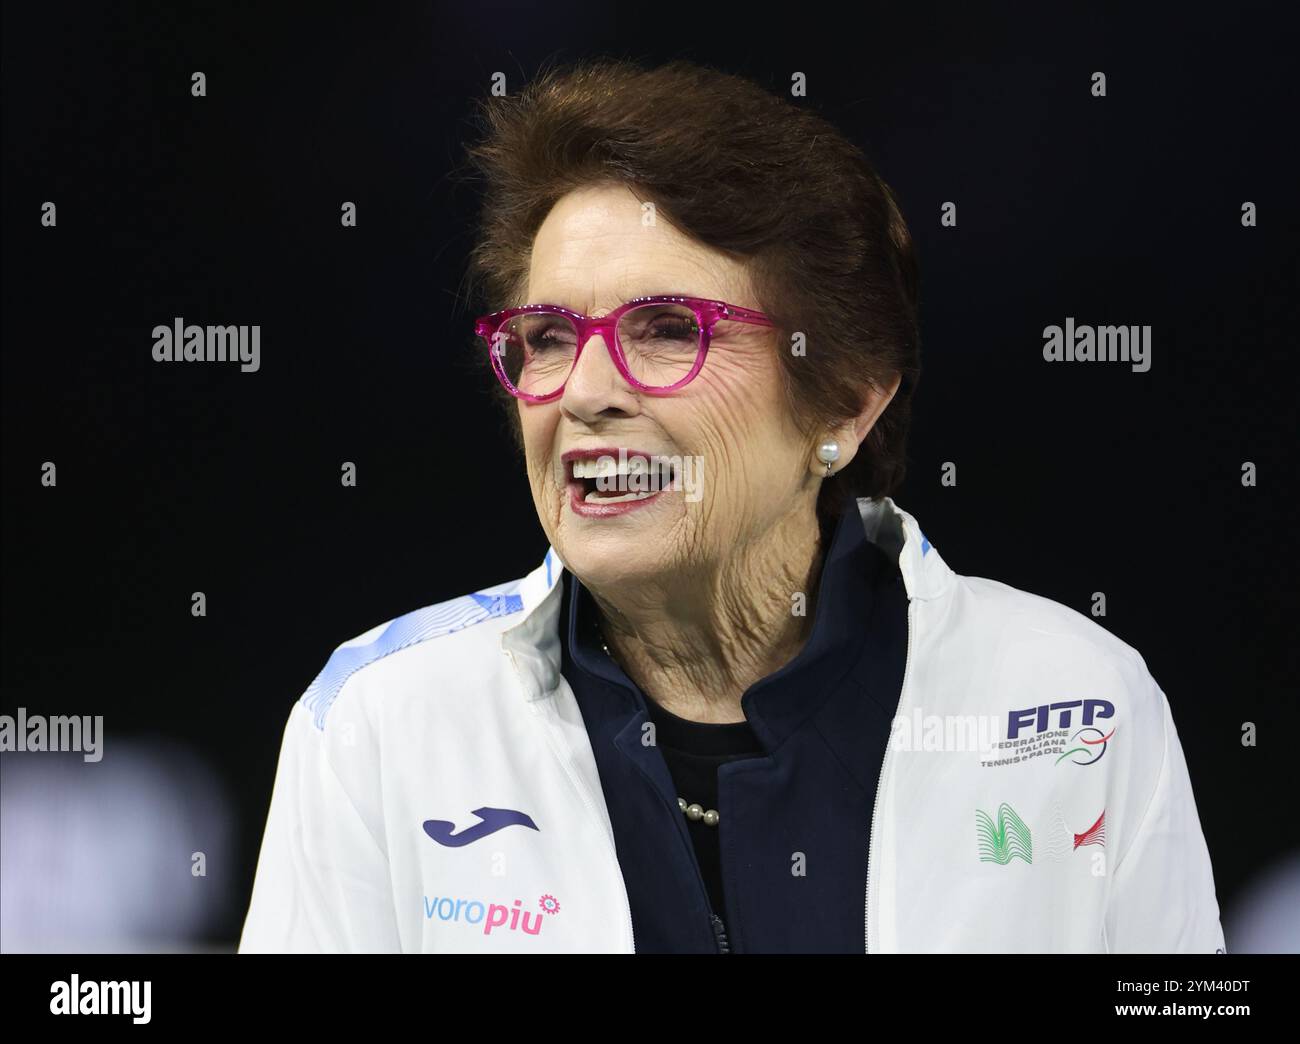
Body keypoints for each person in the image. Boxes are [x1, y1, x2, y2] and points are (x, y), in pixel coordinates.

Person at [238, 57, 1225, 953]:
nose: (584, 392)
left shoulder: (1076, 702)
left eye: (666, 329)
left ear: (842, 398)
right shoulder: (380, 722)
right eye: (544, 336)